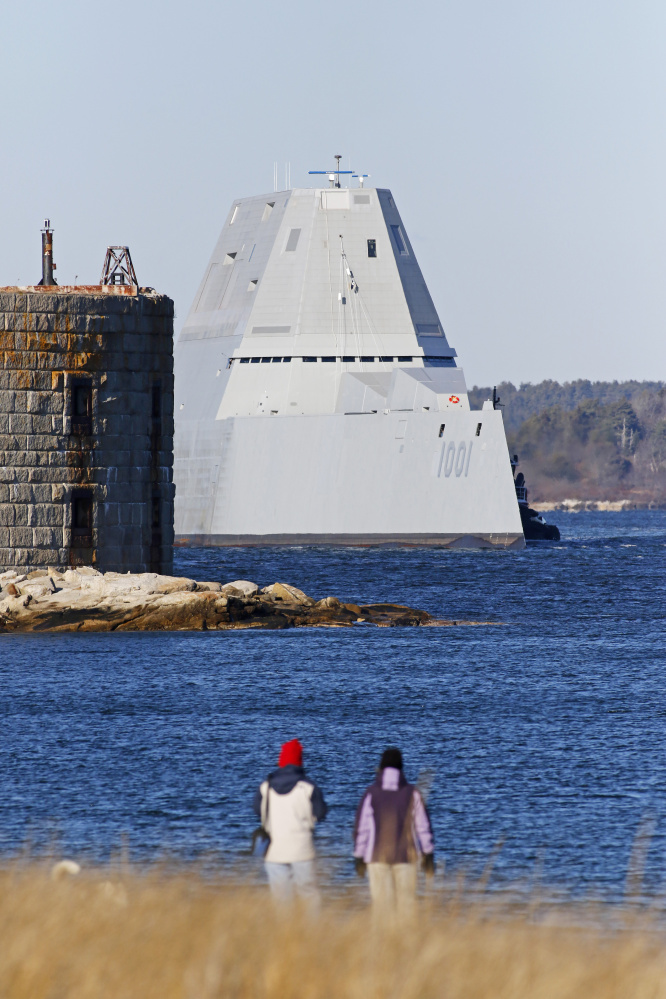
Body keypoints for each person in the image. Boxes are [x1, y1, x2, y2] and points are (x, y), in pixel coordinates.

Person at [353, 746, 434, 917]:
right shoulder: (412, 793)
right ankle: (406, 942)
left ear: (381, 768)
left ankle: (382, 942)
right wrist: (428, 853)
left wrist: (359, 855)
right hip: (406, 856)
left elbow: (363, 828)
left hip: (376, 856)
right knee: (407, 907)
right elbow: (423, 826)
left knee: (381, 909)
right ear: (401, 768)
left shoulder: (371, 793)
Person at [253, 738, 327, 903]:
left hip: (274, 850)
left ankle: (284, 929)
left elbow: (258, 811)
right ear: (300, 761)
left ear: (281, 760)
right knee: (309, 896)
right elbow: (320, 813)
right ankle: (312, 928)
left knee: (280, 899)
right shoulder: (309, 787)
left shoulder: (266, 786)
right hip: (302, 849)